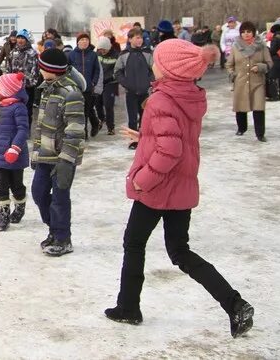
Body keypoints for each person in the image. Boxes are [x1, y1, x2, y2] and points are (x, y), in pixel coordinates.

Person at [105, 40, 255, 338]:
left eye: (158, 61)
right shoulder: (190, 95)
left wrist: (141, 180)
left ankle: (128, 308)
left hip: (157, 188)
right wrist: (145, 135)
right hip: (181, 188)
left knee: (134, 244)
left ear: (170, 68)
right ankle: (234, 304)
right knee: (180, 251)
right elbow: (175, 138)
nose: (154, 65)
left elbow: (170, 151)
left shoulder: (162, 99)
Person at [30, 47, 86, 257]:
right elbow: (42, 126)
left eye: (41, 66)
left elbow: (75, 129)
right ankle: (55, 229)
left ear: (48, 69)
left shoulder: (71, 93)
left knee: (60, 198)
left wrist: (66, 159)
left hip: (63, 157)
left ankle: (63, 238)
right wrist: (36, 152)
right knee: (38, 192)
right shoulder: (46, 89)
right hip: (45, 154)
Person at [0, 72, 30, 231]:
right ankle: (4, 216)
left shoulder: (18, 107)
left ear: (8, 89)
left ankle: (19, 208)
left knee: (16, 185)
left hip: (14, 153)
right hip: (0, 153)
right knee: (1, 185)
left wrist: (15, 148)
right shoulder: (0, 105)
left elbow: (23, 129)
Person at [226, 21, 272, 141]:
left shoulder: (261, 46)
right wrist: (232, 74)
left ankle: (260, 134)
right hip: (240, 81)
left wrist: (260, 67)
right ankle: (241, 128)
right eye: (243, 32)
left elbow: (270, 63)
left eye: (249, 32)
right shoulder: (236, 47)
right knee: (241, 107)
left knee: (258, 108)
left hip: (257, 83)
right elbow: (229, 64)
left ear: (253, 33)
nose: (246, 34)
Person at [116, 28, 154, 144]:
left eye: (141, 38)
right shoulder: (124, 54)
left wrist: (148, 82)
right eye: (137, 38)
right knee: (132, 118)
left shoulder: (147, 53)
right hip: (131, 92)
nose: (140, 40)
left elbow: (154, 70)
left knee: (145, 118)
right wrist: (126, 83)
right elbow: (117, 71)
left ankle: (144, 141)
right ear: (130, 39)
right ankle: (133, 141)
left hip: (144, 92)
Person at [68, 33, 102, 136]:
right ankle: (92, 125)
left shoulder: (93, 54)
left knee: (86, 110)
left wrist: (93, 82)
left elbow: (97, 70)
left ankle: (85, 132)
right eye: (82, 40)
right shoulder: (72, 54)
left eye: (86, 40)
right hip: (75, 87)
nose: (84, 42)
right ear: (78, 42)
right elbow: (68, 69)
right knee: (78, 110)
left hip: (88, 87)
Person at [7, 30, 40, 126]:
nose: (20, 40)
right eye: (19, 38)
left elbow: (35, 71)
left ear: (27, 40)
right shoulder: (13, 52)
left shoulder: (32, 53)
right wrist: (9, 82)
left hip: (27, 87)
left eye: (23, 38)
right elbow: (9, 68)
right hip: (14, 88)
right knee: (14, 109)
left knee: (27, 110)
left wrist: (29, 82)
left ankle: (26, 130)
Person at [95, 36, 121, 136]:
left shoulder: (116, 55)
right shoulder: (97, 54)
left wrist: (111, 77)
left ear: (108, 47)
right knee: (97, 104)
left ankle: (111, 127)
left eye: (104, 49)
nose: (102, 51)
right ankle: (102, 118)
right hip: (99, 83)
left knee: (108, 105)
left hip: (110, 83)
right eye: (101, 49)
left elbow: (117, 70)